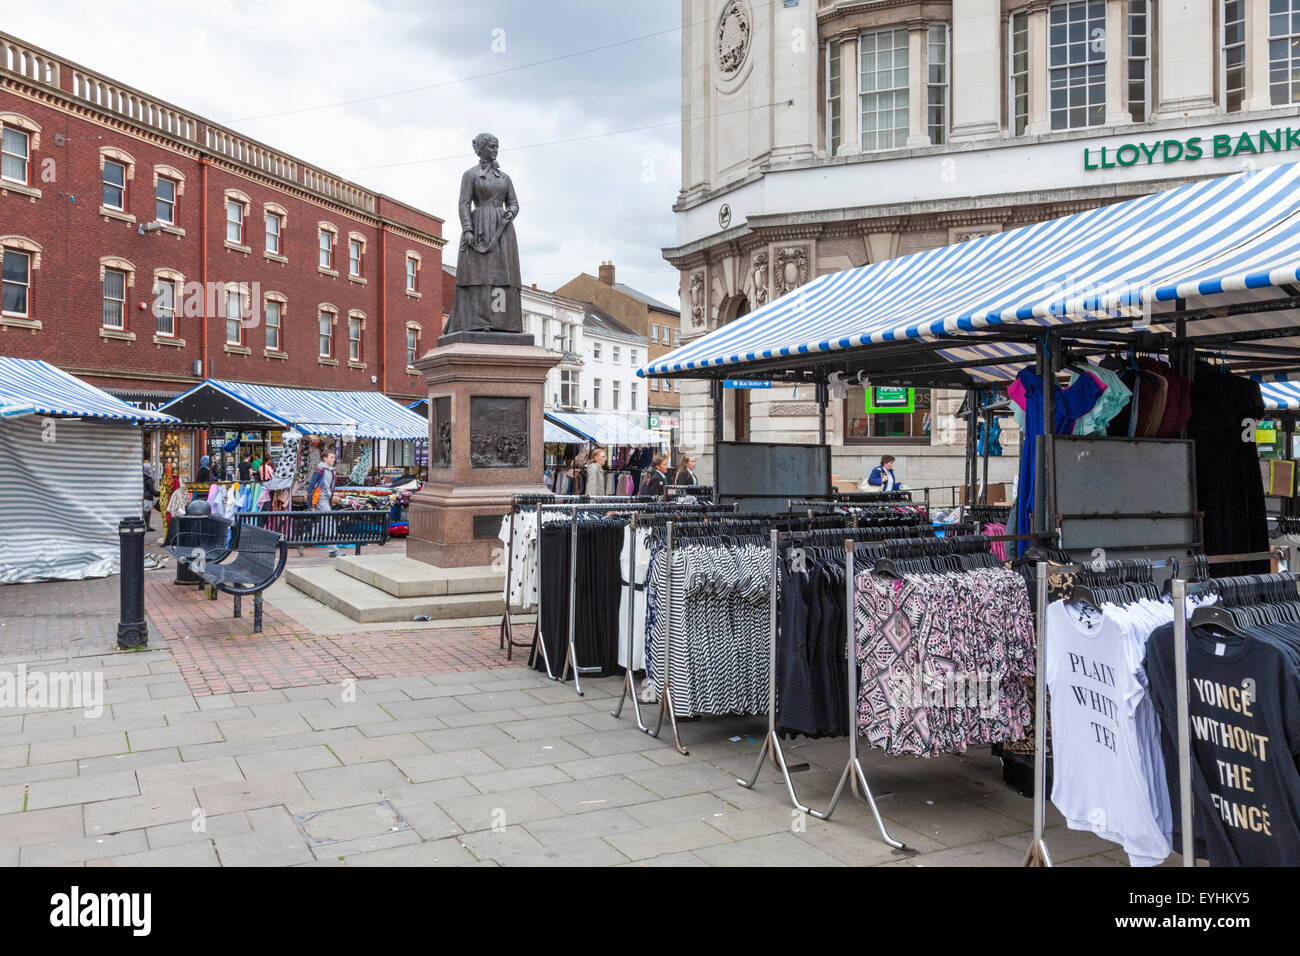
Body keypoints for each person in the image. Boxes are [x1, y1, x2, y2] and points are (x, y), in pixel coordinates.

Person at [443, 132, 523, 334]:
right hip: (479, 225)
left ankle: (503, 321)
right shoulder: (470, 175)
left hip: (502, 230)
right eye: (491, 147)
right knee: (479, 274)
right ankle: (477, 320)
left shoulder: (505, 177)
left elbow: (513, 202)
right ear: (480, 149)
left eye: (497, 147)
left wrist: (510, 213)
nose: (495, 151)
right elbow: (463, 204)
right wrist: (467, 228)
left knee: (502, 275)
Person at [306, 450, 340, 557]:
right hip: (321, 499)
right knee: (330, 522)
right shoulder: (320, 470)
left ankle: (303, 539)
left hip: (326, 500)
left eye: (334, 457)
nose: (333, 459)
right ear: (325, 458)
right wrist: (310, 504)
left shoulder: (332, 471)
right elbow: (311, 486)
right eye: (331, 457)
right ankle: (333, 550)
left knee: (322, 524)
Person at [141, 462, 157, 532]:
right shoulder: (148, 479)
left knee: (146, 512)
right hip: (148, 497)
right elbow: (153, 491)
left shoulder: (143, 477)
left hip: (145, 497)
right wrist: (161, 493)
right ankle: (147, 526)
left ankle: (147, 526)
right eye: (149, 469)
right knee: (147, 513)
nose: (151, 470)